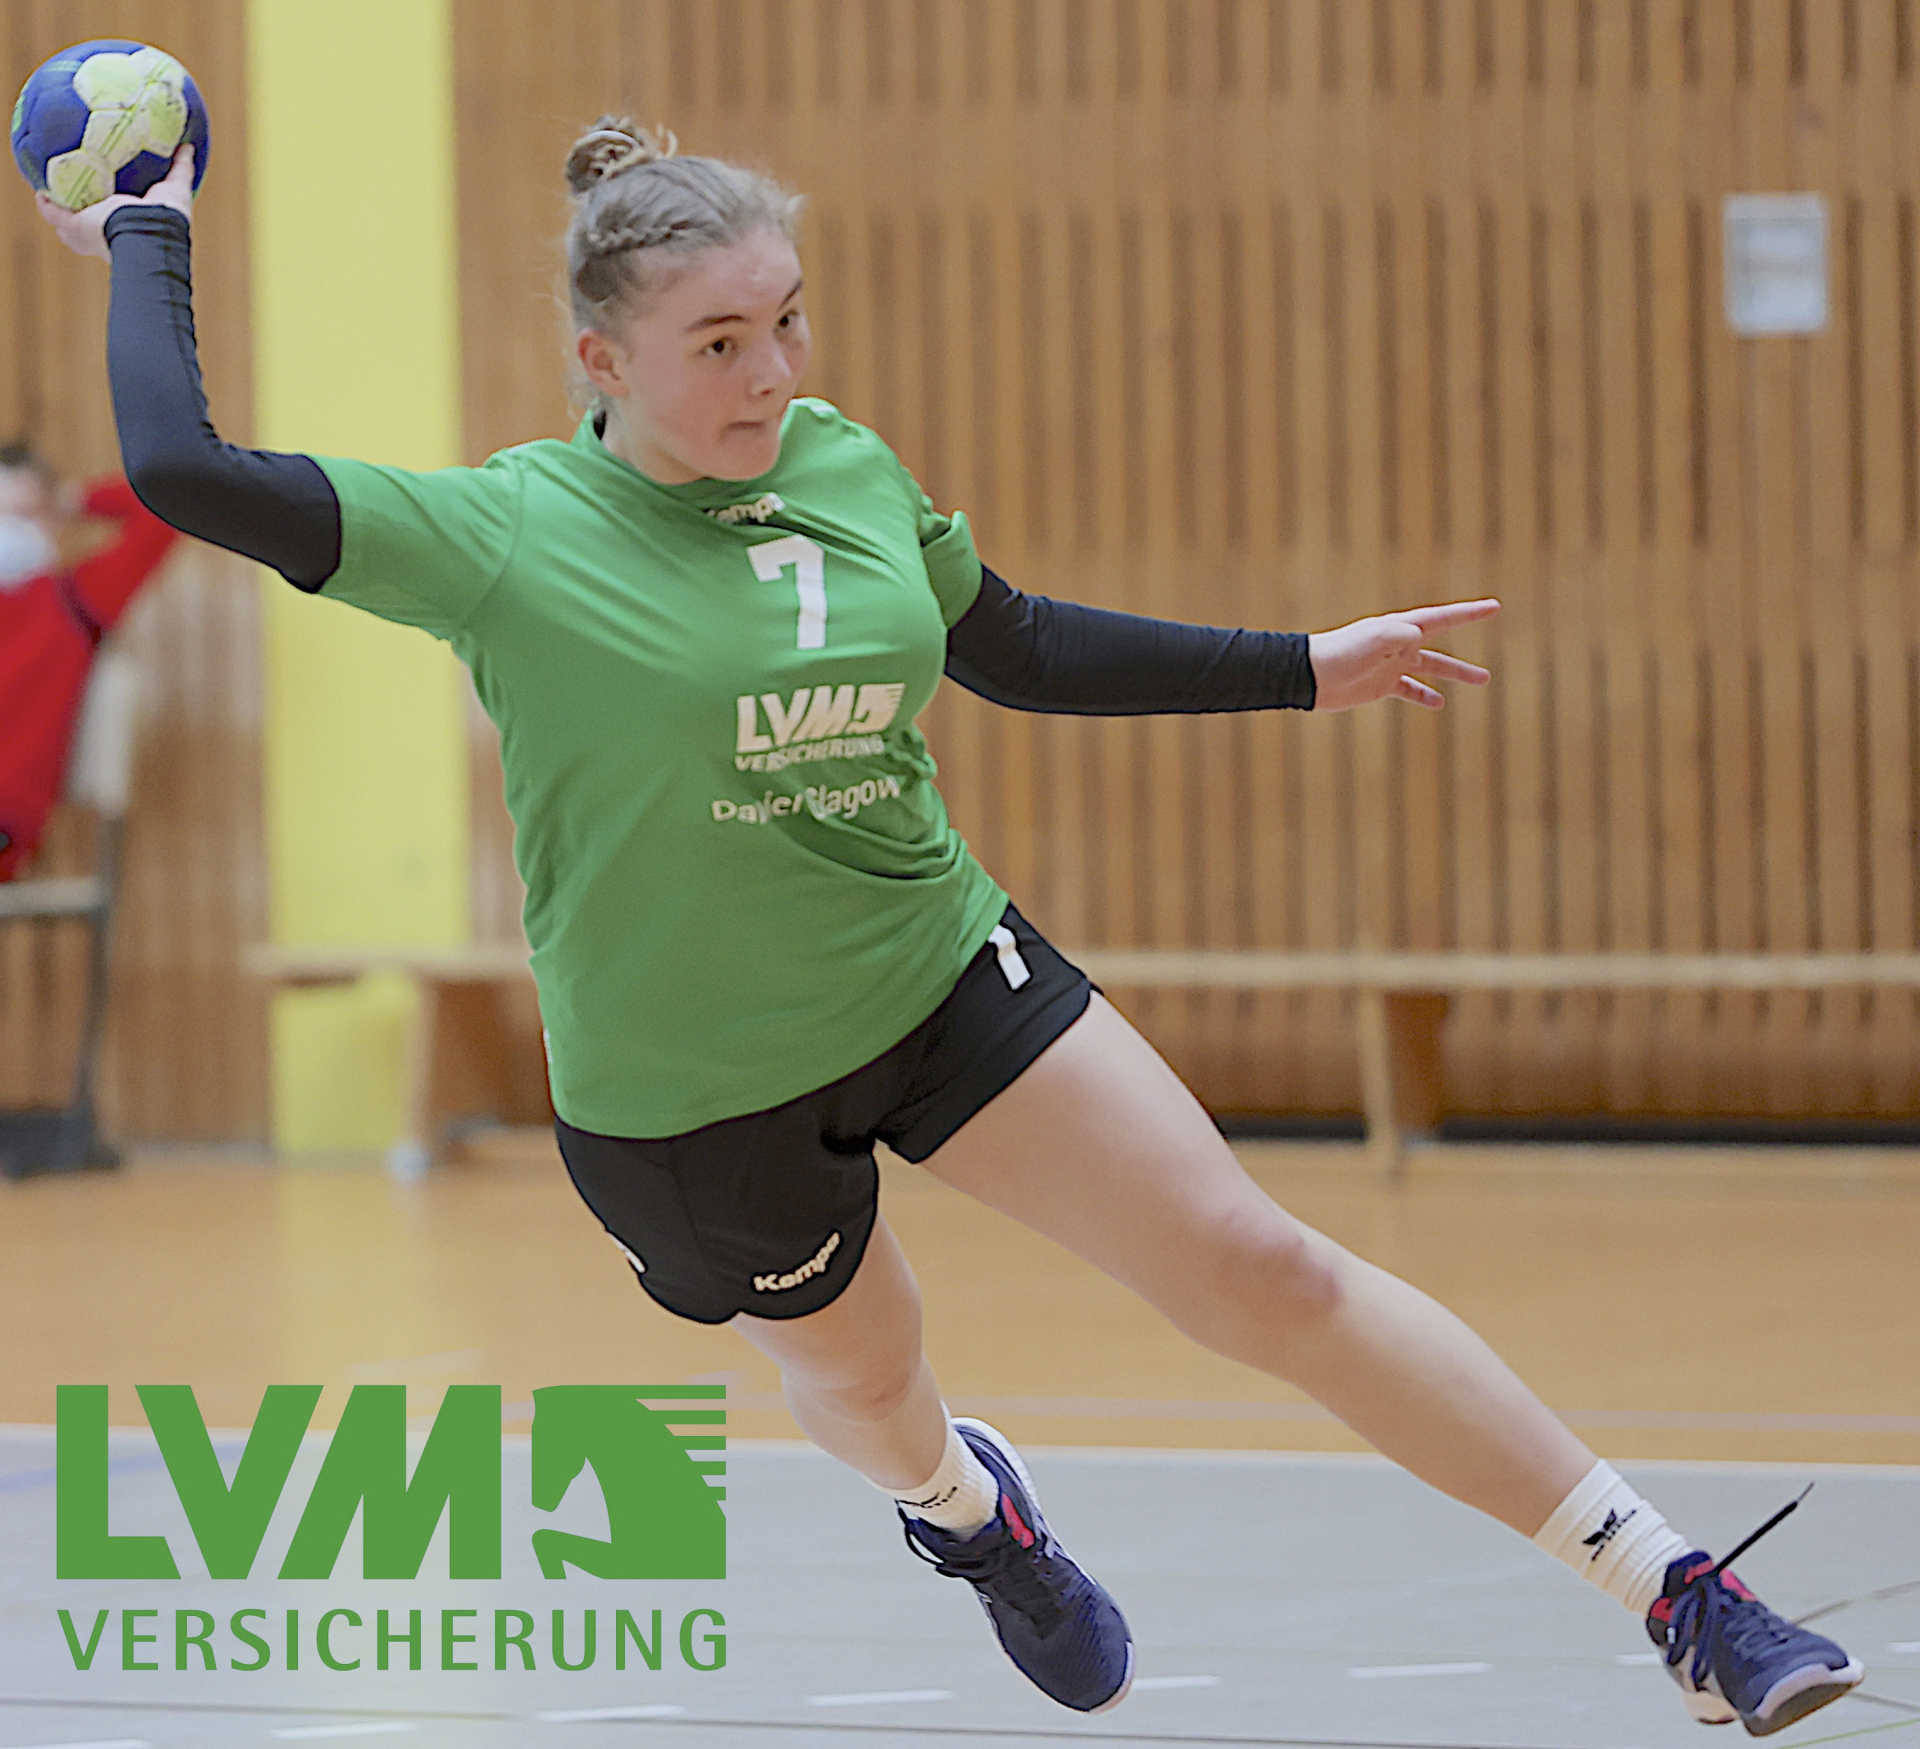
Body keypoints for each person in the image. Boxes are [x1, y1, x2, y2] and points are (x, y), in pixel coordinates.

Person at [39, 129, 1861, 1733]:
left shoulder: (839, 462)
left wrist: (1307, 666)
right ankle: (968, 1516)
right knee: (871, 1377)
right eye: (721, 343)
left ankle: (1679, 1593)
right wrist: (148, 226)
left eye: (789, 321)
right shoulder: (502, 534)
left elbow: (1019, 643)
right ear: (603, 360)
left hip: (932, 970)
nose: (774, 370)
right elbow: (182, 466)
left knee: (1264, 1265)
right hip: (693, 1096)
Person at [0, 439, 177, 882]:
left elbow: (165, 508)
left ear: (53, 520)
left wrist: (75, 499)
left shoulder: (75, 603)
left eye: (23, 514)